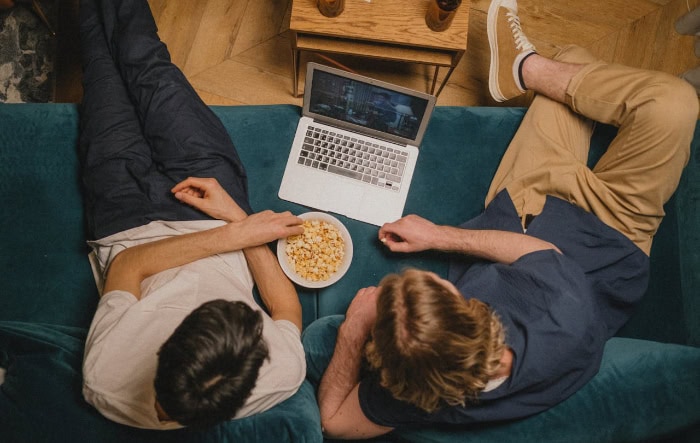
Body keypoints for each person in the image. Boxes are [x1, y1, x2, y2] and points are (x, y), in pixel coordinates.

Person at [303, 0, 699, 439]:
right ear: (471, 311)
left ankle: (538, 70)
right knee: (673, 101)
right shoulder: (560, 315)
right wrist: (438, 238)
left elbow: (331, 422)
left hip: (539, 216)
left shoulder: (418, 392)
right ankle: (527, 68)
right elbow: (540, 252)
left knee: (575, 67)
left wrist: (354, 329)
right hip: (606, 234)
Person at [78, 0, 306, 430]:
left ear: (162, 349)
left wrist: (237, 234)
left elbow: (132, 264)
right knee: (148, 66)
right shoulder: (283, 373)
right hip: (215, 211)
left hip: (123, 220)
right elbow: (284, 307)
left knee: (100, 67)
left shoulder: (105, 378)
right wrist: (236, 217)